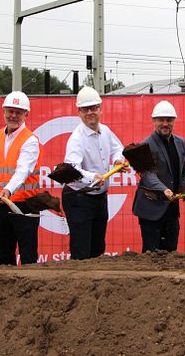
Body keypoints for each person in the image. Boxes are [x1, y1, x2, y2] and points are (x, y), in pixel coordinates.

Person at [0, 91, 43, 265]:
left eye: (18, 112)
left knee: (28, 257)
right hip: (1, 204)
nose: (13, 116)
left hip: (25, 205)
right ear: (4, 111)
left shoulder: (30, 140)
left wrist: (8, 189)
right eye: (10, 111)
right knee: (4, 256)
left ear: (26, 115)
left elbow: (23, 171)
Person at [62, 86, 124, 259]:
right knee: (81, 250)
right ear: (79, 112)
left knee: (97, 249)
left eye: (94, 108)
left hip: (99, 197)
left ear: (100, 109)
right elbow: (71, 169)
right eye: (85, 109)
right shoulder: (77, 139)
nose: (90, 112)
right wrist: (91, 177)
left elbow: (118, 149)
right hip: (79, 198)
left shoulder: (105, 131)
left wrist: (118, 159)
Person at [132, 100, 185, 252]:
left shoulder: (180, 142)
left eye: (169, 120)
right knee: (151, 256)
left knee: (171, 254)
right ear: (154, 121)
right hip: (151, 210)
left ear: (174, 121)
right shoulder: (146, 145)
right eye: (161, 120)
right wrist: (164, 189)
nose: (165, 123)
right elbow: (147, 174)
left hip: (171, 210)